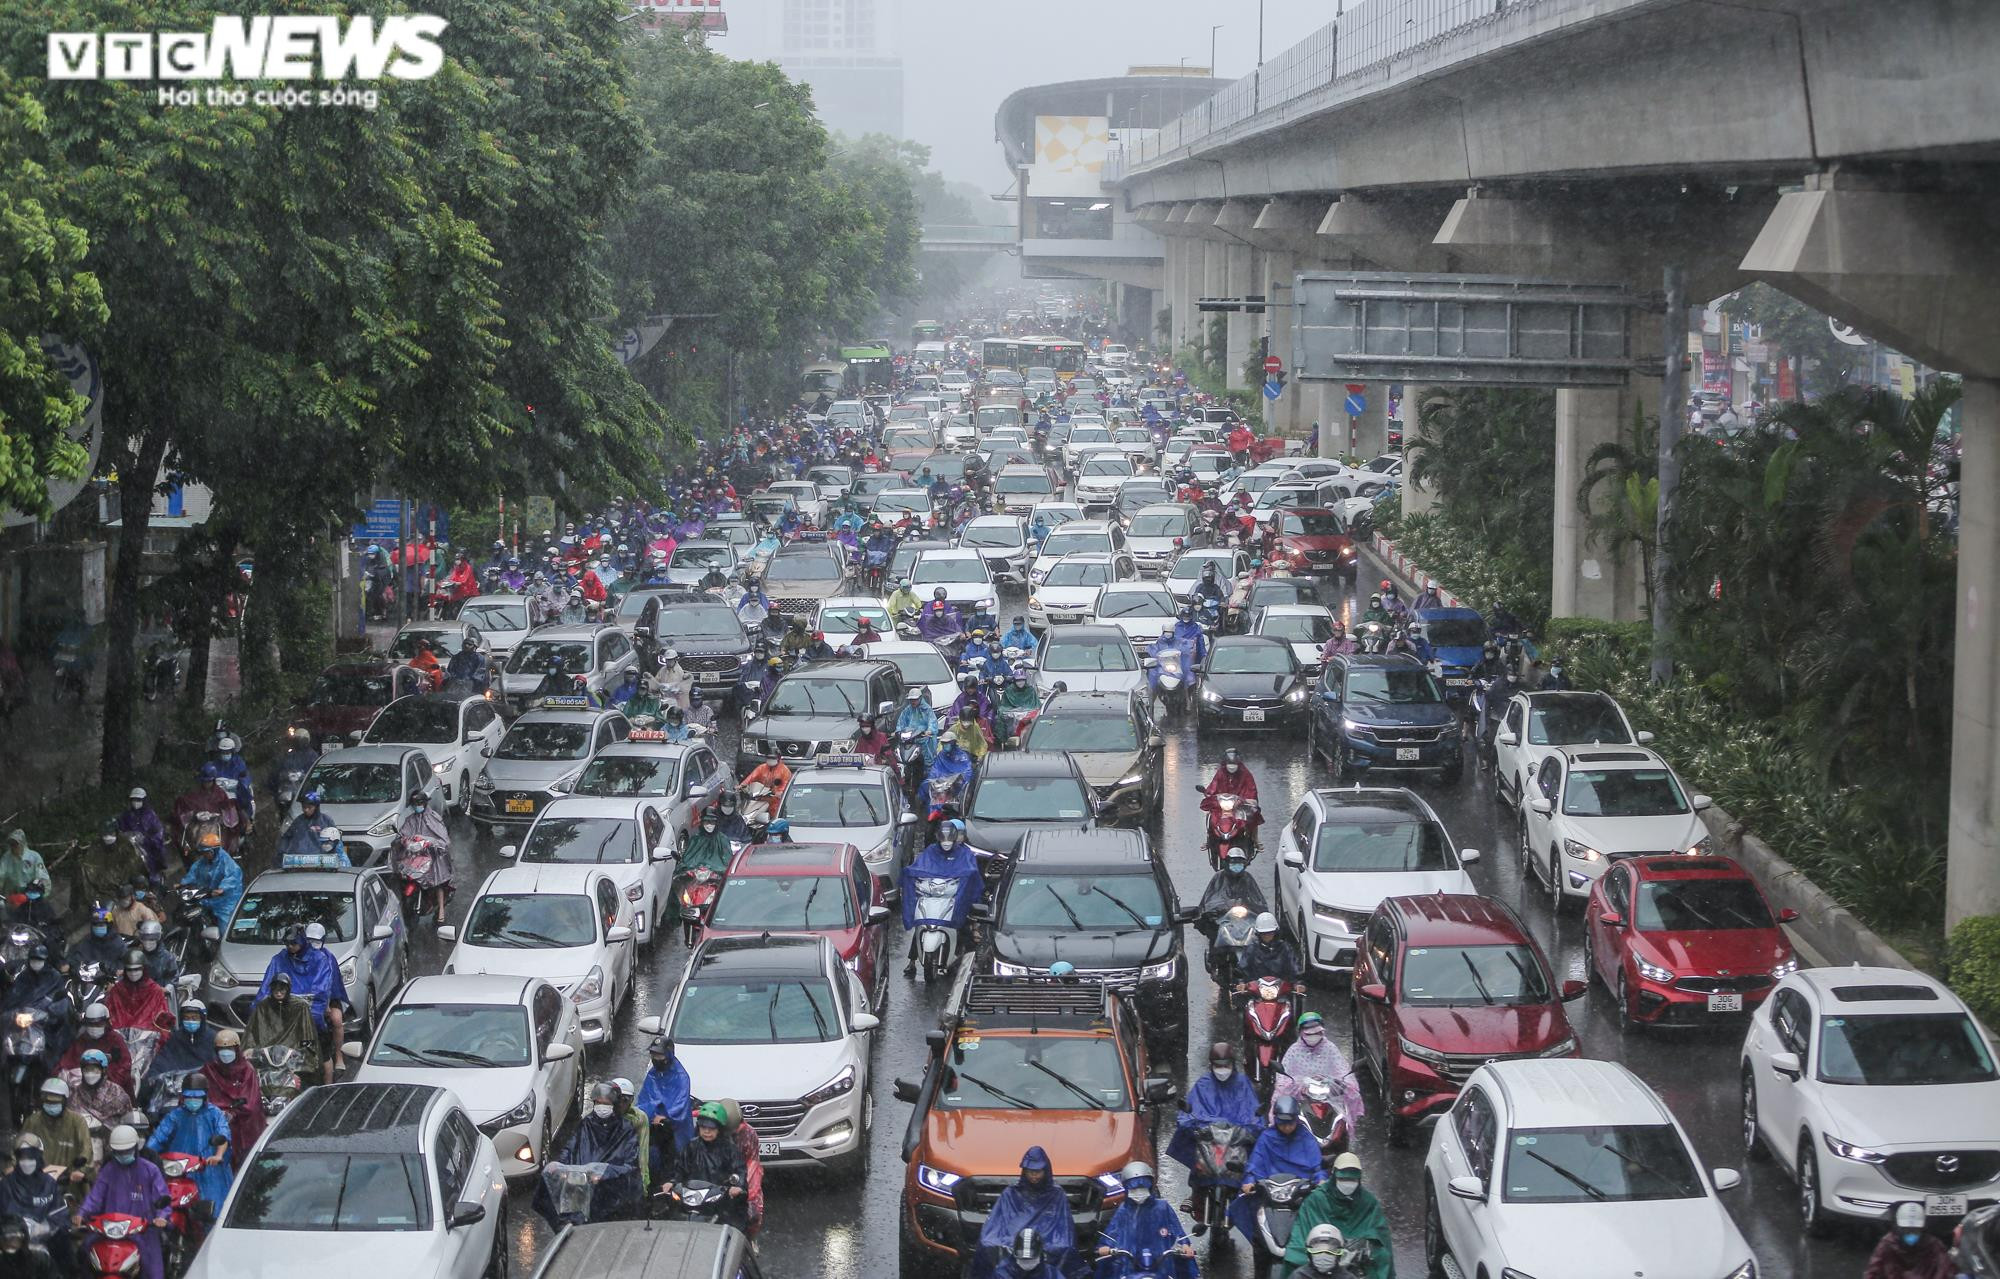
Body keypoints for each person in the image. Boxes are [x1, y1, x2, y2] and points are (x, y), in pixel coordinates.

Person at [1167, 1043, 1263, 1236]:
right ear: (1211, 1065)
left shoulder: (1243, 1084)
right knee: (1194, 1153)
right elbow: (1189, 1112)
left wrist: (1252, 1126)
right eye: (1218, 1065)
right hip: (1209, 1141)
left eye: (1225, 1065)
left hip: (1235, 1142)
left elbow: (1255, 1115)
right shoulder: (1203, 1085)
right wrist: (1191, 1123)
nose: (1222, 1070)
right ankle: (1195, 1192)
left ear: (1232, 1064)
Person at [535, 1082, 641, 1228]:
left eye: (606, 1103)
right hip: (581, 1186)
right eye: (598, 1103)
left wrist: (604, 1173)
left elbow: (630, 1166)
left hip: (607, 1191)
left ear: (615, 1105)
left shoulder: (626, 1130)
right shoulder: (586, 1123)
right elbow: (571, 1147)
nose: (602, 1107)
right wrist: (560, 1167)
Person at [256, 925, 348, 1085]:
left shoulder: (322, 959)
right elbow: (266, 989)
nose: (290, 947)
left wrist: (315, 1012)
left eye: (294, 944)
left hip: (315, 1016)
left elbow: (322, 989)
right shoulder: (280, 959)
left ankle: (329, 1085)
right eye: (288, 944)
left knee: (325, 1054)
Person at [1229, 1095, 1328, 1241]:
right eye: (1282, 1124)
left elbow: (1317, 1167)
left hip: (1299, 1194)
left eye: (1290, 1123)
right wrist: (1249, 1181)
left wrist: (1321, 1181)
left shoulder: (1306, 1138)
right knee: (1247, 1209)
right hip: (1271, 1194)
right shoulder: (1267, 1137)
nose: (1287, 1127)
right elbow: (1255, 1163)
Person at [77, 1125, 170, 1279]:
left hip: (142, 1231)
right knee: (85, 1252)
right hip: (109, 1231)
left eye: (127, 1151)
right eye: (119, 1152)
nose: (123, 1155)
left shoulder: (150, 1170)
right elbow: (95, 1197)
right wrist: (82, 1213)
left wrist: (161, 1217)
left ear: (135, 1148)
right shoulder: (108, 1170)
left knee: (153, 1271)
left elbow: (162, 1198)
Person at [1284, 1153, 1393, 1279]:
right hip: (1321, 1245)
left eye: (1352, 1180)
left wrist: (1360, 1245)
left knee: (1382, 1256)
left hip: (1357, 1248)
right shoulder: (1317, 1198)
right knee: (1293, 1255)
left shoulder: (1368, 1201)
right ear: (1334, 1176)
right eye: (1342, 1179)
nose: (1347, 1184)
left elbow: (1378, 1232)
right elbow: (1304, 1229)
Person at [899, 818, 983, 976]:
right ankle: (912, 961)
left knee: (966, 927)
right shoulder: (931, 850)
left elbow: (972, 871)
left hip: (955, 898)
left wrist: (967, 880)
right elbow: (921, 865)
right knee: (922, 923)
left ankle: (971, 962)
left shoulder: (965, 853)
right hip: (933, 894)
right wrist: (912, 873)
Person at [1096, 1161, 1196, 1278]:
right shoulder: (1124, 1210)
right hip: (1129, 1265)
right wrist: (1105, 1247)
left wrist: (1185, 1245)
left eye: (1143, 1186)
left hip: (1161, 1263)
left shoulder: (1162, 1207)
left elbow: (1177, 1229)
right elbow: (1112, 1232)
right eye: (1134, 1188)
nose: (1138, 1191)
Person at [978, 1147, 1075, 1266]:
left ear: (1045, 1171)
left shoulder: (1056, 1194)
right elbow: (996, 1222)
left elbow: (1063, 1226)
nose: (1034, 1176)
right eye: (1030, 1172)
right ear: (1025, 1171)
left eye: (1038, 1172)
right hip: (1013, 1236)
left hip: (1046, 1237)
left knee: (1063, 1248)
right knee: (988, 1243)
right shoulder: (1011, 1192)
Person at [146, 1076, 232, 1209]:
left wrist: (218, 1156)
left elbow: (223, 1135)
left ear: (204, 1097)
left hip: (209, 1168)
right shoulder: (175, 1116)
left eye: (197, 1098)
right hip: (179, 1169)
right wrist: (145, 1156)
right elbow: (158, 1137)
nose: (193, 1101)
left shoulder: (215, 1114)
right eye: (189, 1098)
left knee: (215, 1209)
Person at [660, 1102, 747, 1232]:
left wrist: (737, 1186)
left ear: (719, 1129)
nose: (707, 1131)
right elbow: (679, 1168)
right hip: (691, 1197)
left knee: (733, 1225)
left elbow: (740, 1170)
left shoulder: (729, 1149)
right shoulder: (691, 1146)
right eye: (703, 1127)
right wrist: (672, 1182)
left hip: (719, 1201)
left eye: (711, 1128)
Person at [1274, 1011, 1365, 1123]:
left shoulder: (1330, 1048)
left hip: (1327, 1093)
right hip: (1302, 1095)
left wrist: (1344, 1082)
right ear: (1301, 1033)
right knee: (1279, 1103)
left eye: (1317, 1033)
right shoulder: (1294, 1050)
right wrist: (1296, 1084)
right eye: (1309, 1034)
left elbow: (1341, 1068)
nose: (1313, 1037)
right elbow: (1284, 1076)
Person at [0, 1138, 71, 1274]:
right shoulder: (6, 1185)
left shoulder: (49, 1184)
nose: (27, 1162)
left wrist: (44, 1227)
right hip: (11, 1242)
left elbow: (61, 1216)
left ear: (38, 1157)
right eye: (23, 1157)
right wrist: (14, 1229)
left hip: (44, 1243)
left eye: (31, 1157)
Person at [199, 1029, 264, 1169]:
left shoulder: (247, 1070)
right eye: (222, 1049)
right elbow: (200, 1096)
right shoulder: (208, 1070)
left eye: (229, 1049)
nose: (225, 1053)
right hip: (215, 1120)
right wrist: (217, 1113)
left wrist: (233, 1113)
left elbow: (250, 1102)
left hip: (242, 1122)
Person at [243, 971, 319, 1083]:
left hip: (292, 1055)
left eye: (282, 990)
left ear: (288, 989)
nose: (278, 993)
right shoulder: (263, 1007)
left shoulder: (300, 1006)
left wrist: (305, 1054)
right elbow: (252, 1032)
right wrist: (250, 1049)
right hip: (266, 1055)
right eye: (275, 990)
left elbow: (307, 1034)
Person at [636, 1037, 694, 1183]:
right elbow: (645, 1099)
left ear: (669, 1055)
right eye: (653, 1055)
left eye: (659, 1055)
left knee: (675, 1164)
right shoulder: (652, 1074)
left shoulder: (681, 1077)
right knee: (652, 1159)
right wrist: (649, 1115)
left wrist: (665, 1117)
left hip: (675, 1130)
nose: (656, 1059)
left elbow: (680, 1105)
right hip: (654, 1128)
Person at [18, 1080, 92, 1193]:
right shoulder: (33, 1121)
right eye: (48, 1102)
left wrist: (81, 1170)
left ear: (64, 1102)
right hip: (38, 1179)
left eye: (55, 1103)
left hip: (70, 1180)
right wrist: (14, 1166)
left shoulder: (77, 1121)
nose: (52, 1106)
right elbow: (20, 1147)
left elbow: (86, 1149)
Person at [178, 830, 244, 938]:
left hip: (225, 902)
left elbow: (233, 876)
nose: (204, 855)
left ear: (214, 851)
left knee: (226, 933)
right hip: (206, 898)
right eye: (202, 852)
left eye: (206, 852)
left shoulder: (226, 862)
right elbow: (193, 873)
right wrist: (183, 884)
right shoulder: (202, 862)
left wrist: (222, 889)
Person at [1863, 1201, 1954, 1279]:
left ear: (1922, 1229)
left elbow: (1946, 1271)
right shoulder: (1887, 1243)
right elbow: (1872, 1272)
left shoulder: (1934, 1245)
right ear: (1898, 1228)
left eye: (1915, 1230)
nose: (1911, 1233)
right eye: (1906, 1229)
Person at [75, 825, 148, 916]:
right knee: (102, 916)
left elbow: (134, 864)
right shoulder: (95, 851)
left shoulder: (125, 844)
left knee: (140, 882)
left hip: (127, 883)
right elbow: (95, 874)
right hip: (108, 891)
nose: (108, 838)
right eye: (105, 835)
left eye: (110, 834)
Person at [63, 1048, 132, 1138]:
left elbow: (128, 1126)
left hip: (110, 1146)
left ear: (103, 1070)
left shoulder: (118, 1095)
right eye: (87, 1070)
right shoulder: (74, 1093)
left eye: (95, 1070)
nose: (90, 1074)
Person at [148, 997, 219, 1081]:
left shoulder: (212, 1038)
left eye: (194, 1018)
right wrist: (156, 1076)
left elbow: (218, 1067)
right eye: (187, 1018)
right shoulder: (177, 1037)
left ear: (202, 1019)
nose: (190, 1022)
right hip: (176, 1084)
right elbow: (164, 1058)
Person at [1200, 748, 1263, 843]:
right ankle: (1209, 840)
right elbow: (1214, 786)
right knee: (1210, 815)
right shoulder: (1221, 773)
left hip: (1240, 804)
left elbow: (1251, 788)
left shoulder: (1245, 773)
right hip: (1223, 804)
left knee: (1253, 814)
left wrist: (1249, 799)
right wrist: (1209, 794)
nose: (1231, 767)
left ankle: (1255, 839)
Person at [1236, 912, 1304, 986]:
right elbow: (1242, 969)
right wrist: (1241, 982)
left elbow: (1295, 968)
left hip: (1282, 991)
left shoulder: (1285, 948)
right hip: (1256, 992)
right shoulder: (1251, 949)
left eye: (1270, 933)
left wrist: (1298, 983)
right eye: (1263, 933)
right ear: (1258, 933)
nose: (1267, 936)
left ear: (1275, 932)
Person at [115, 790, 170, 879]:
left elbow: (158, 830)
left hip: (148, 845)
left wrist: (147, 838)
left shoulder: (150, 814)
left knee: (156, 857)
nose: (135, 802)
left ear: (144, 800)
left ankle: (157, 877)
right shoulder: (126, 815)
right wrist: (127, 837)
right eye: (134, 800)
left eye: (138, 800)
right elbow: (121, 829)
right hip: (132, 845)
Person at [72, 906, 131, 974]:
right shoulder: (87, 941)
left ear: (108, 926)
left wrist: (116, 968)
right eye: (95, 924)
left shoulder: (117, 942)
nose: (97, 927)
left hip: (111, 978)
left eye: (101, 925)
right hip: (89, 979)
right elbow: (77, 958)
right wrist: (76, 967)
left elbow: (125, 960)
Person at [0, 831, 49, 900]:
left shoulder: (34, 857)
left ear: (22, 844)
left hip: (31, 897)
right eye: (11, 844)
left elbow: (43, 878)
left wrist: (40, 897)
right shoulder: (6, 857)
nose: (13, 846)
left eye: (15, 844)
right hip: (12, 898)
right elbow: (1, 874)